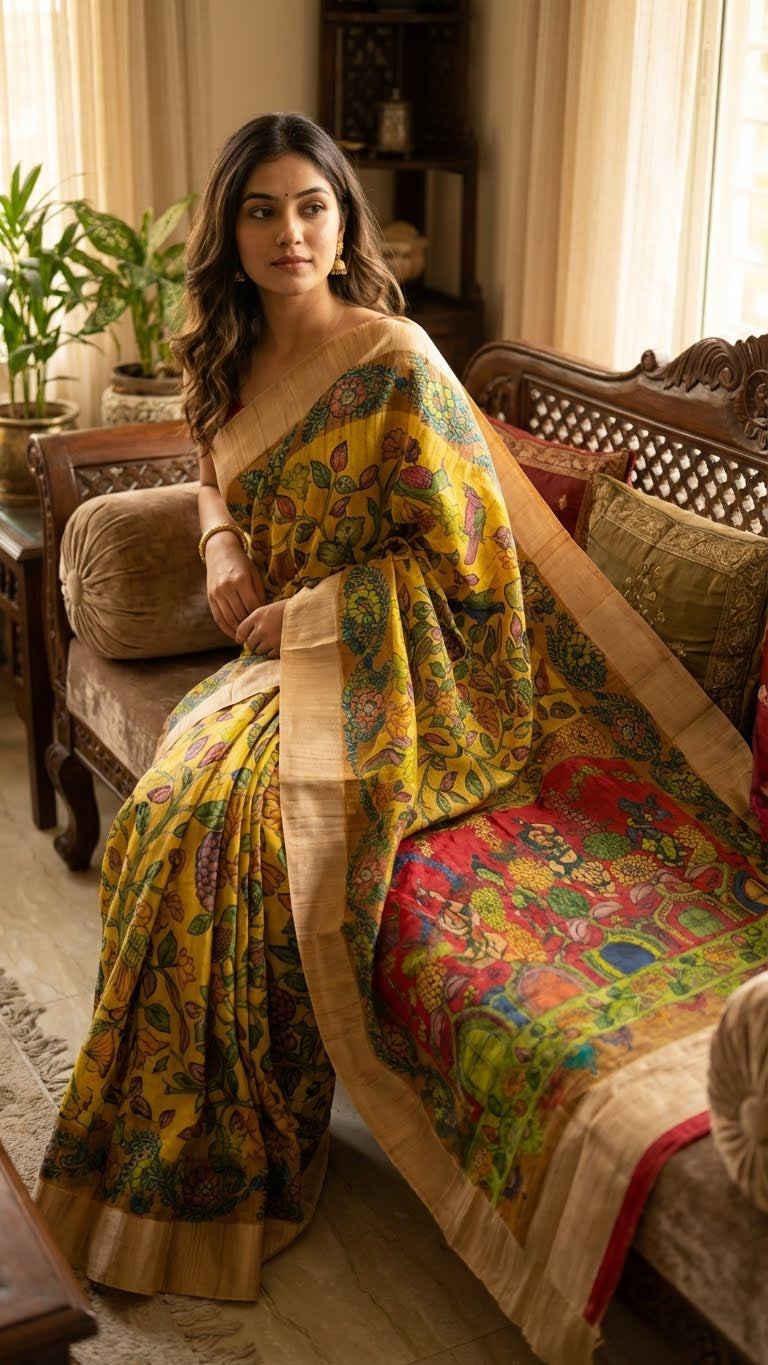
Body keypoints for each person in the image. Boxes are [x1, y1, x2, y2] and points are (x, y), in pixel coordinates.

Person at [35, 113, 765, 1358]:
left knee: (218, 832)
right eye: (261, 210)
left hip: (410, 672)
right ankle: (178, 1149)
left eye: (310, 207)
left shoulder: (396, 360)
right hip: (284, 658)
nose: (288, 233)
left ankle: (235, 1163)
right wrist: (217, 540)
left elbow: (473, 567)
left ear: (345, 221)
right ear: (231, 229)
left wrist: (303, 619)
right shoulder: (223, 348)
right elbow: (213, 460)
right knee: (172, 813)